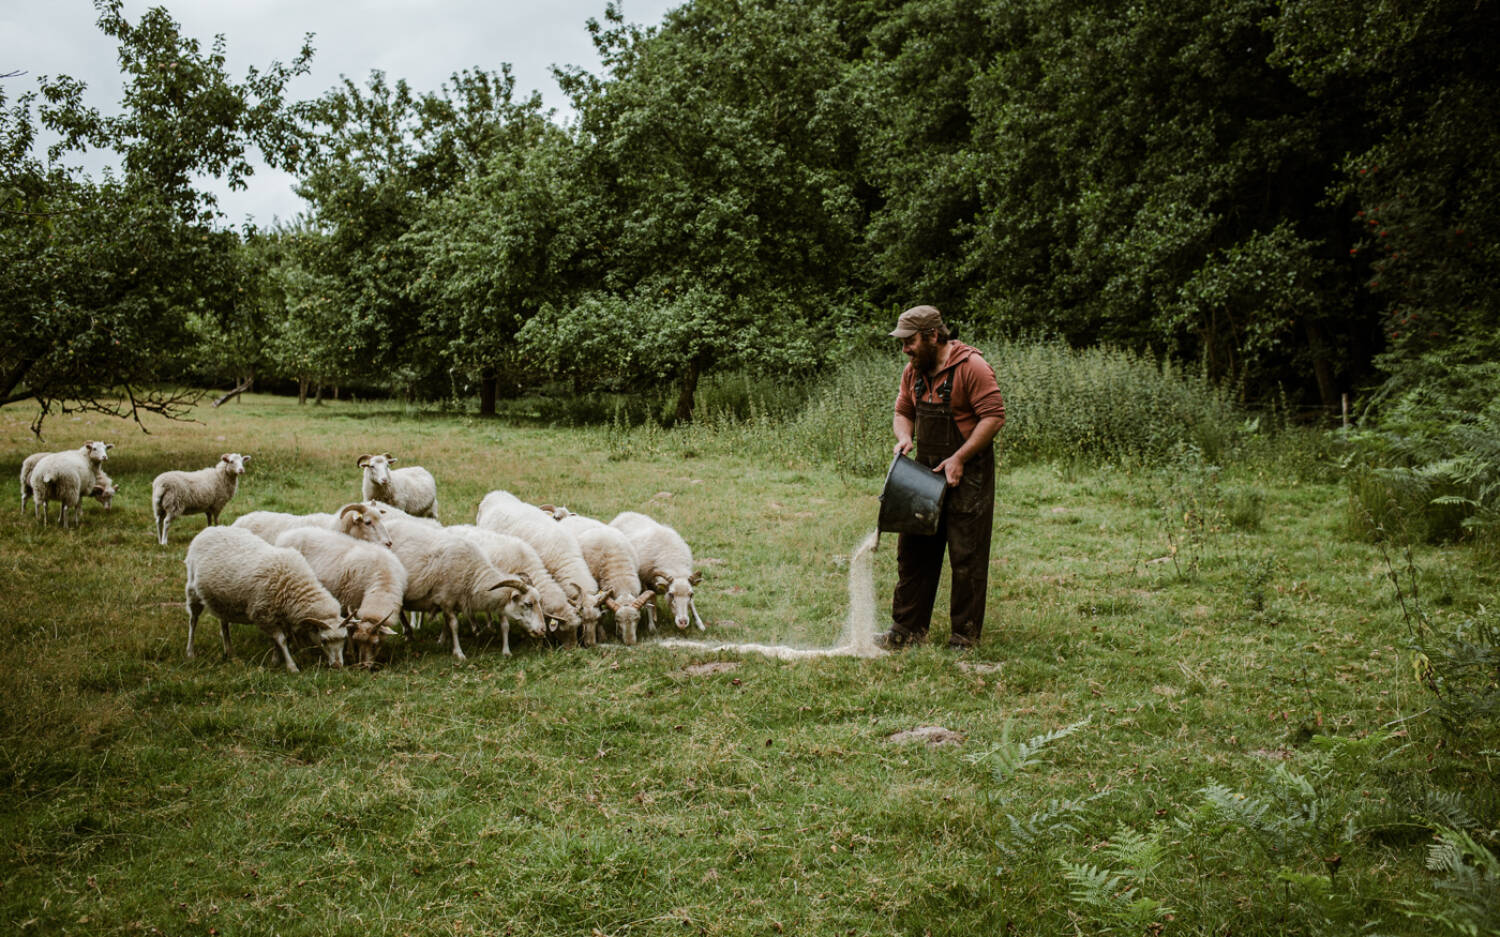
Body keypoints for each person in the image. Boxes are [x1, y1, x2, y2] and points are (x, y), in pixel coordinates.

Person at [877, 305, 1005, 650]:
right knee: (914, 550)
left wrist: (960, 457)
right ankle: (906, 631)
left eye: (910, 341)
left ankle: (963, 638)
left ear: (933, 336)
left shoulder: (972, 367)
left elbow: (993, 416)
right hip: (923, 470)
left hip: (968, 473)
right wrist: (904, 436)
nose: (905, 349)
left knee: (967, 555)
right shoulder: (913, 371)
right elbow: (903, 410)